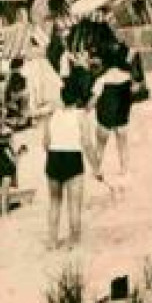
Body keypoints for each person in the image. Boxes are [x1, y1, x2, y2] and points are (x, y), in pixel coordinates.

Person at [43, 83, 95, 249]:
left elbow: (45, 143)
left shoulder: (51, 115)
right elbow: (87, 144)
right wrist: (96, 167)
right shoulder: (81, 116)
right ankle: (74, 240)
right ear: (78, 99)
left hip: (54, 157)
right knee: (74, 204)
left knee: (54, 202)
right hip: (73, 156)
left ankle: (52, 241)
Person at [91, 47, 134, 179]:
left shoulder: (101, 79)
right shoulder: (127, 77)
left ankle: (97, 170)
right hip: (122, 117)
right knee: (123, 144)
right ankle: (125, 169)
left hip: (105, 118)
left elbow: (93, 99)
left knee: (100, 146)